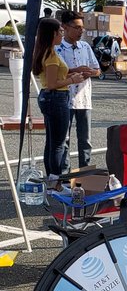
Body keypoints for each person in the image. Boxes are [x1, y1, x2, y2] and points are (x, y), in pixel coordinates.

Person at [33, 17, 87, 186]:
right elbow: (51, 84)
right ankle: (55, 182)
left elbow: (55, 76)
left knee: (52, 142)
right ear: (53, 34)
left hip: (52, 98)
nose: (62, 36)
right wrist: (72, 80)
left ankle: (52, 180)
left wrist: (72, 73)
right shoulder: (50, 55)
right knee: (58, 144)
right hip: (56, 98)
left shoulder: (49, 51)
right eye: (60, 32)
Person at [57, 9, 100, 171]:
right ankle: (64, 174)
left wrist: (91, 72)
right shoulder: (58, 47)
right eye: (76, 27)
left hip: (84, 99)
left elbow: (97, 70)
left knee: (85, 140)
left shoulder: (85, 46)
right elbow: (52, 72)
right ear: (65, 27)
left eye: (82, 28)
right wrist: (75, 70)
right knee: (64, 140)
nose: (80, 31)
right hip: (64, 99)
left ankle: (86, 173)